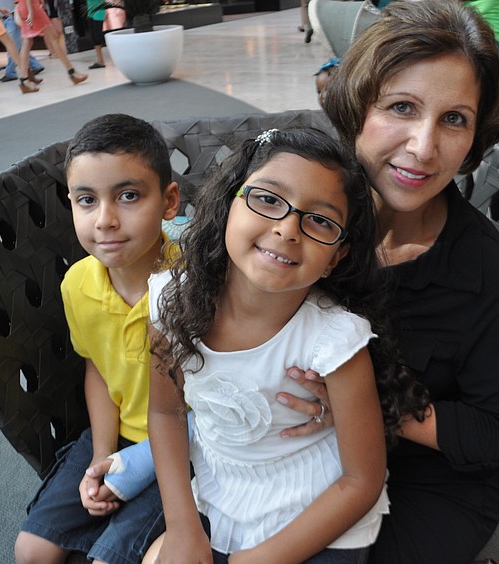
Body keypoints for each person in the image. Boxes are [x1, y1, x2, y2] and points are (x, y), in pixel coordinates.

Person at [281, 1, 499, 561]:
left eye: (454, 119)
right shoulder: (303, 218)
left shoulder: (482, 273)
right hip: (295, 449)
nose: (424, 148)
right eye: (402, 107)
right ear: (357, 109)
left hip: (423, 480)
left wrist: (365, 406)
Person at [146, 127, 429, 563]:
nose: (286, 229)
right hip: (217, 493)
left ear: (336, 255)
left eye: (320, 219)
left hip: (317, 511)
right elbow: (165, 411)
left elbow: (361, 481)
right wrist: (182, 526)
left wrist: (258, 559)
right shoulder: (173, 303)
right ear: (229, 203)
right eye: (268, 199)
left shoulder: (334, 342)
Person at [14, 113, 181, 564]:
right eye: (86, 200)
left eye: (128, 196)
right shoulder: (78, 285)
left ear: (169, 201)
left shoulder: (195, 281)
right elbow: (99, 371)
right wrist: (101, 456)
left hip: (184, 447)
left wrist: (136, 466)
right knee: (31, 550)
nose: (105, 220)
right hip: (116, 435)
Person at [17, 0, 88, 88]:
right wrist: (31, 11)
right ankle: (72, 72)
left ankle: (24, 79)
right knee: (53, 39)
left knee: (27, 41)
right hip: (32, 8)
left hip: (24, 7)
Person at [0, 0, 44, 83]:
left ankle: (11, 72)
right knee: (17, 46)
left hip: (11, 17)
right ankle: (34, 66)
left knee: (14, 46)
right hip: (2, 18)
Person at [85, 0, 109, 69]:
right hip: (91, 12)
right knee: (93, 36)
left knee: (96, 36)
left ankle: (100, 61)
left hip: (98, 12)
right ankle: (100, 60)